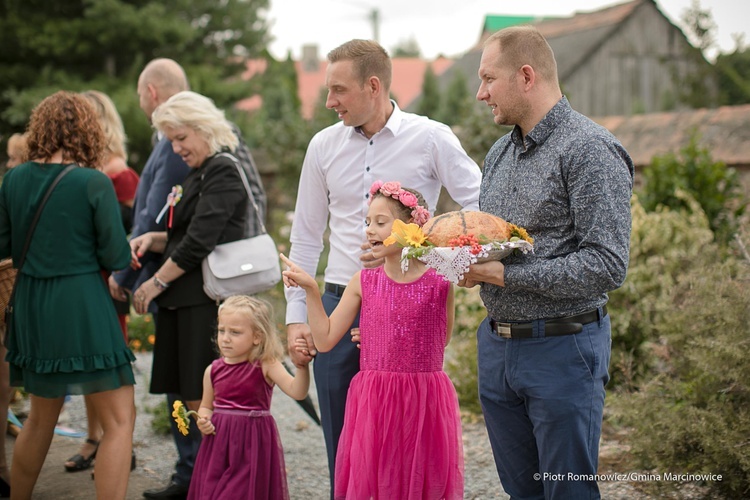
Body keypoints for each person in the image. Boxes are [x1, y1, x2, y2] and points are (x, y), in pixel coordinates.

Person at [284, 38, 481, 493]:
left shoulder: (431, 137)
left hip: (408, 306)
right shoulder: (322, 146)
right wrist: (297, 317)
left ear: (373, 85)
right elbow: (306, 236)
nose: (329, 101)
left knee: (407, 437)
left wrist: (426, 253)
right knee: (345, 445)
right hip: (338, 299)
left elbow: (476, 206)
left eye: (338, 90)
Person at [463, 25, 634, 499]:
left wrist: (505, 275)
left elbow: (606, 264)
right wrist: (467, 261)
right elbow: (499, 243)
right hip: (497, 349)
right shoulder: (498, 153)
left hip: (563, 348)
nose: (481, 94)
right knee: (523, 493)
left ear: (525, 76)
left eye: (488, 79)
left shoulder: (589, 149)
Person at [282, 180, 463, 499]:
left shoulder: (441, 283)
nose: (370, 230)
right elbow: (324, 340)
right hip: (374, 401)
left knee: (418, 476)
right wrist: (311, 289)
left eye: (381, 222)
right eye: (367, 222)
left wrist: (392, 337)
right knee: (378, 479)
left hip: (424, 401)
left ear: (412, 226)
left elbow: (440, 339)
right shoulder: (362, 281)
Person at [0, 91, 135, 498]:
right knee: (118, 420)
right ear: (87, 131)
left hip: (32, 303)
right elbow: (115, 254)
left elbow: (4, 244)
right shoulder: (92, 182)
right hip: (81, 304)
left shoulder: (13, 179)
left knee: (41, 417)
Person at [129, 90, 253, 498]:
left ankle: (208, 477)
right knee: (179, 390)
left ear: (203, 128)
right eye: (171, 140)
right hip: (183, 300)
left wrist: (155, 282)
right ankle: (188, 474)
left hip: (203, 299)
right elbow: (185, 233)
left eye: (180, 137)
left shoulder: (222, 170)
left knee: (202, 393)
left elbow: (200, 241)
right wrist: (154, 237)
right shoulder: (196, 172)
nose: (175, 148)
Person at [59, 90, 140, 475]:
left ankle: (118, 442)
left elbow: (132, 232)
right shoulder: (78, 173)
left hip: (109, 283)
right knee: (91, 367)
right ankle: (95, 438)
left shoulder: (120, 174)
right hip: (85, 281)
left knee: (111, 366)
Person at [188, 295, 310, 500]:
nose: (225, 338)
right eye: (221, 330)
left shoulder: (266, 365)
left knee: (240, 493)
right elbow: (206, 406)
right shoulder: (213, 370)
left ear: (257, 337)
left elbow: (297, 391)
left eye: (235, 332)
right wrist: (203, 420)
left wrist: (302, 367)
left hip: (251, 446)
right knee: (214, 492)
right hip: (218, 445)